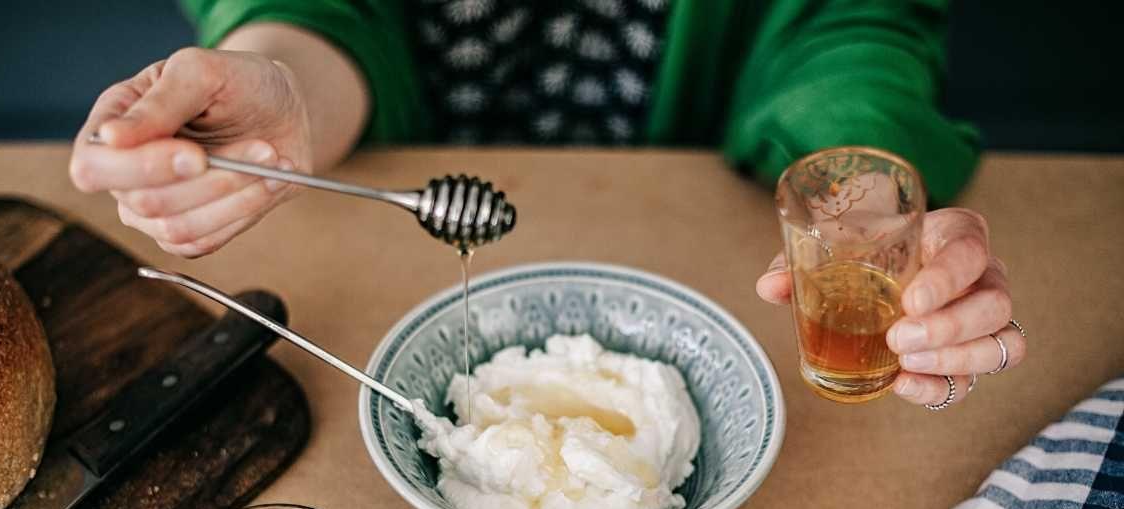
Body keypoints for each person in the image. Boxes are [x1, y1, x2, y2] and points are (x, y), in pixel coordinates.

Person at [67, 0, 1025, 408]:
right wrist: (277, 96)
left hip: (686, 212)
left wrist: (857, 204)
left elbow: (846, 24)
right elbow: (315, 10)